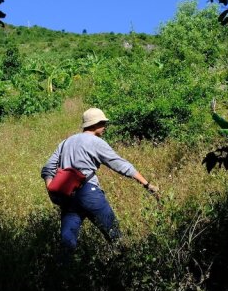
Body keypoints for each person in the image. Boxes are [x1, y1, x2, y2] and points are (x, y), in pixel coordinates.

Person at [41, 107, 159, 251]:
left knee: (67, 242)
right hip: (89, 193)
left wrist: (50, 186)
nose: (105, 127)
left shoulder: (65, 142)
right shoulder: (95, 142)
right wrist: (146, 184)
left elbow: (48, 167)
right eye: (103, 123)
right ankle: (123, 264)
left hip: (68, 197)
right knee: (114, 235)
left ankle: (63, 269)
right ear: (95, 124)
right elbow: (121, 165)